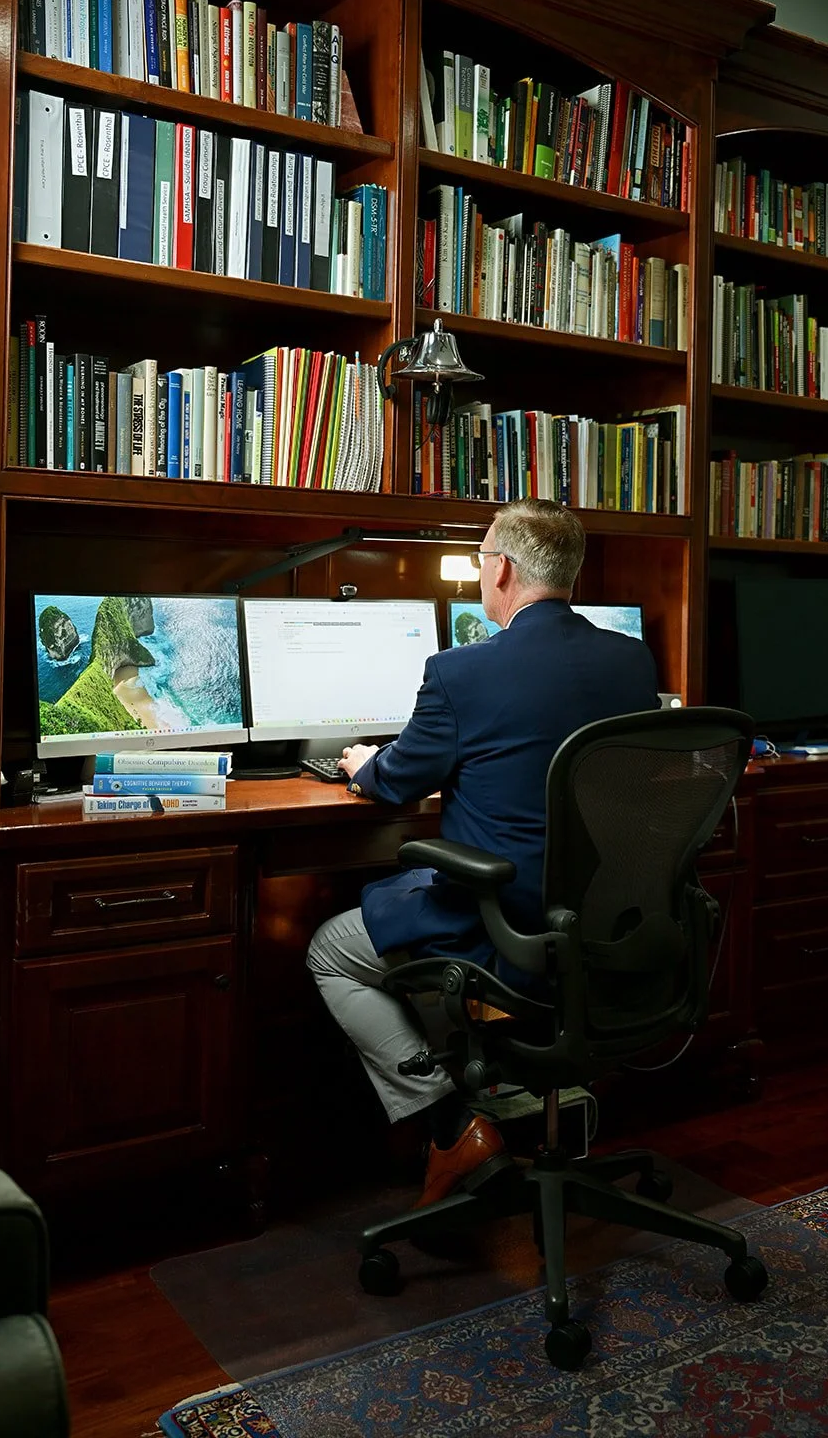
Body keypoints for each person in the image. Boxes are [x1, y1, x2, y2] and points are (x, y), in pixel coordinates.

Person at [306, 499, 660, 1205]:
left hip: (510, 925)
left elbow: (398, 779)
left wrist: (362, 764)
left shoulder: (460, 671)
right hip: (606, 927)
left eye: (479, 561)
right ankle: (487, 1100)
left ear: (499, 570)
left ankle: (453, 1125)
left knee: (329, 951)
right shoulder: (630, 659)